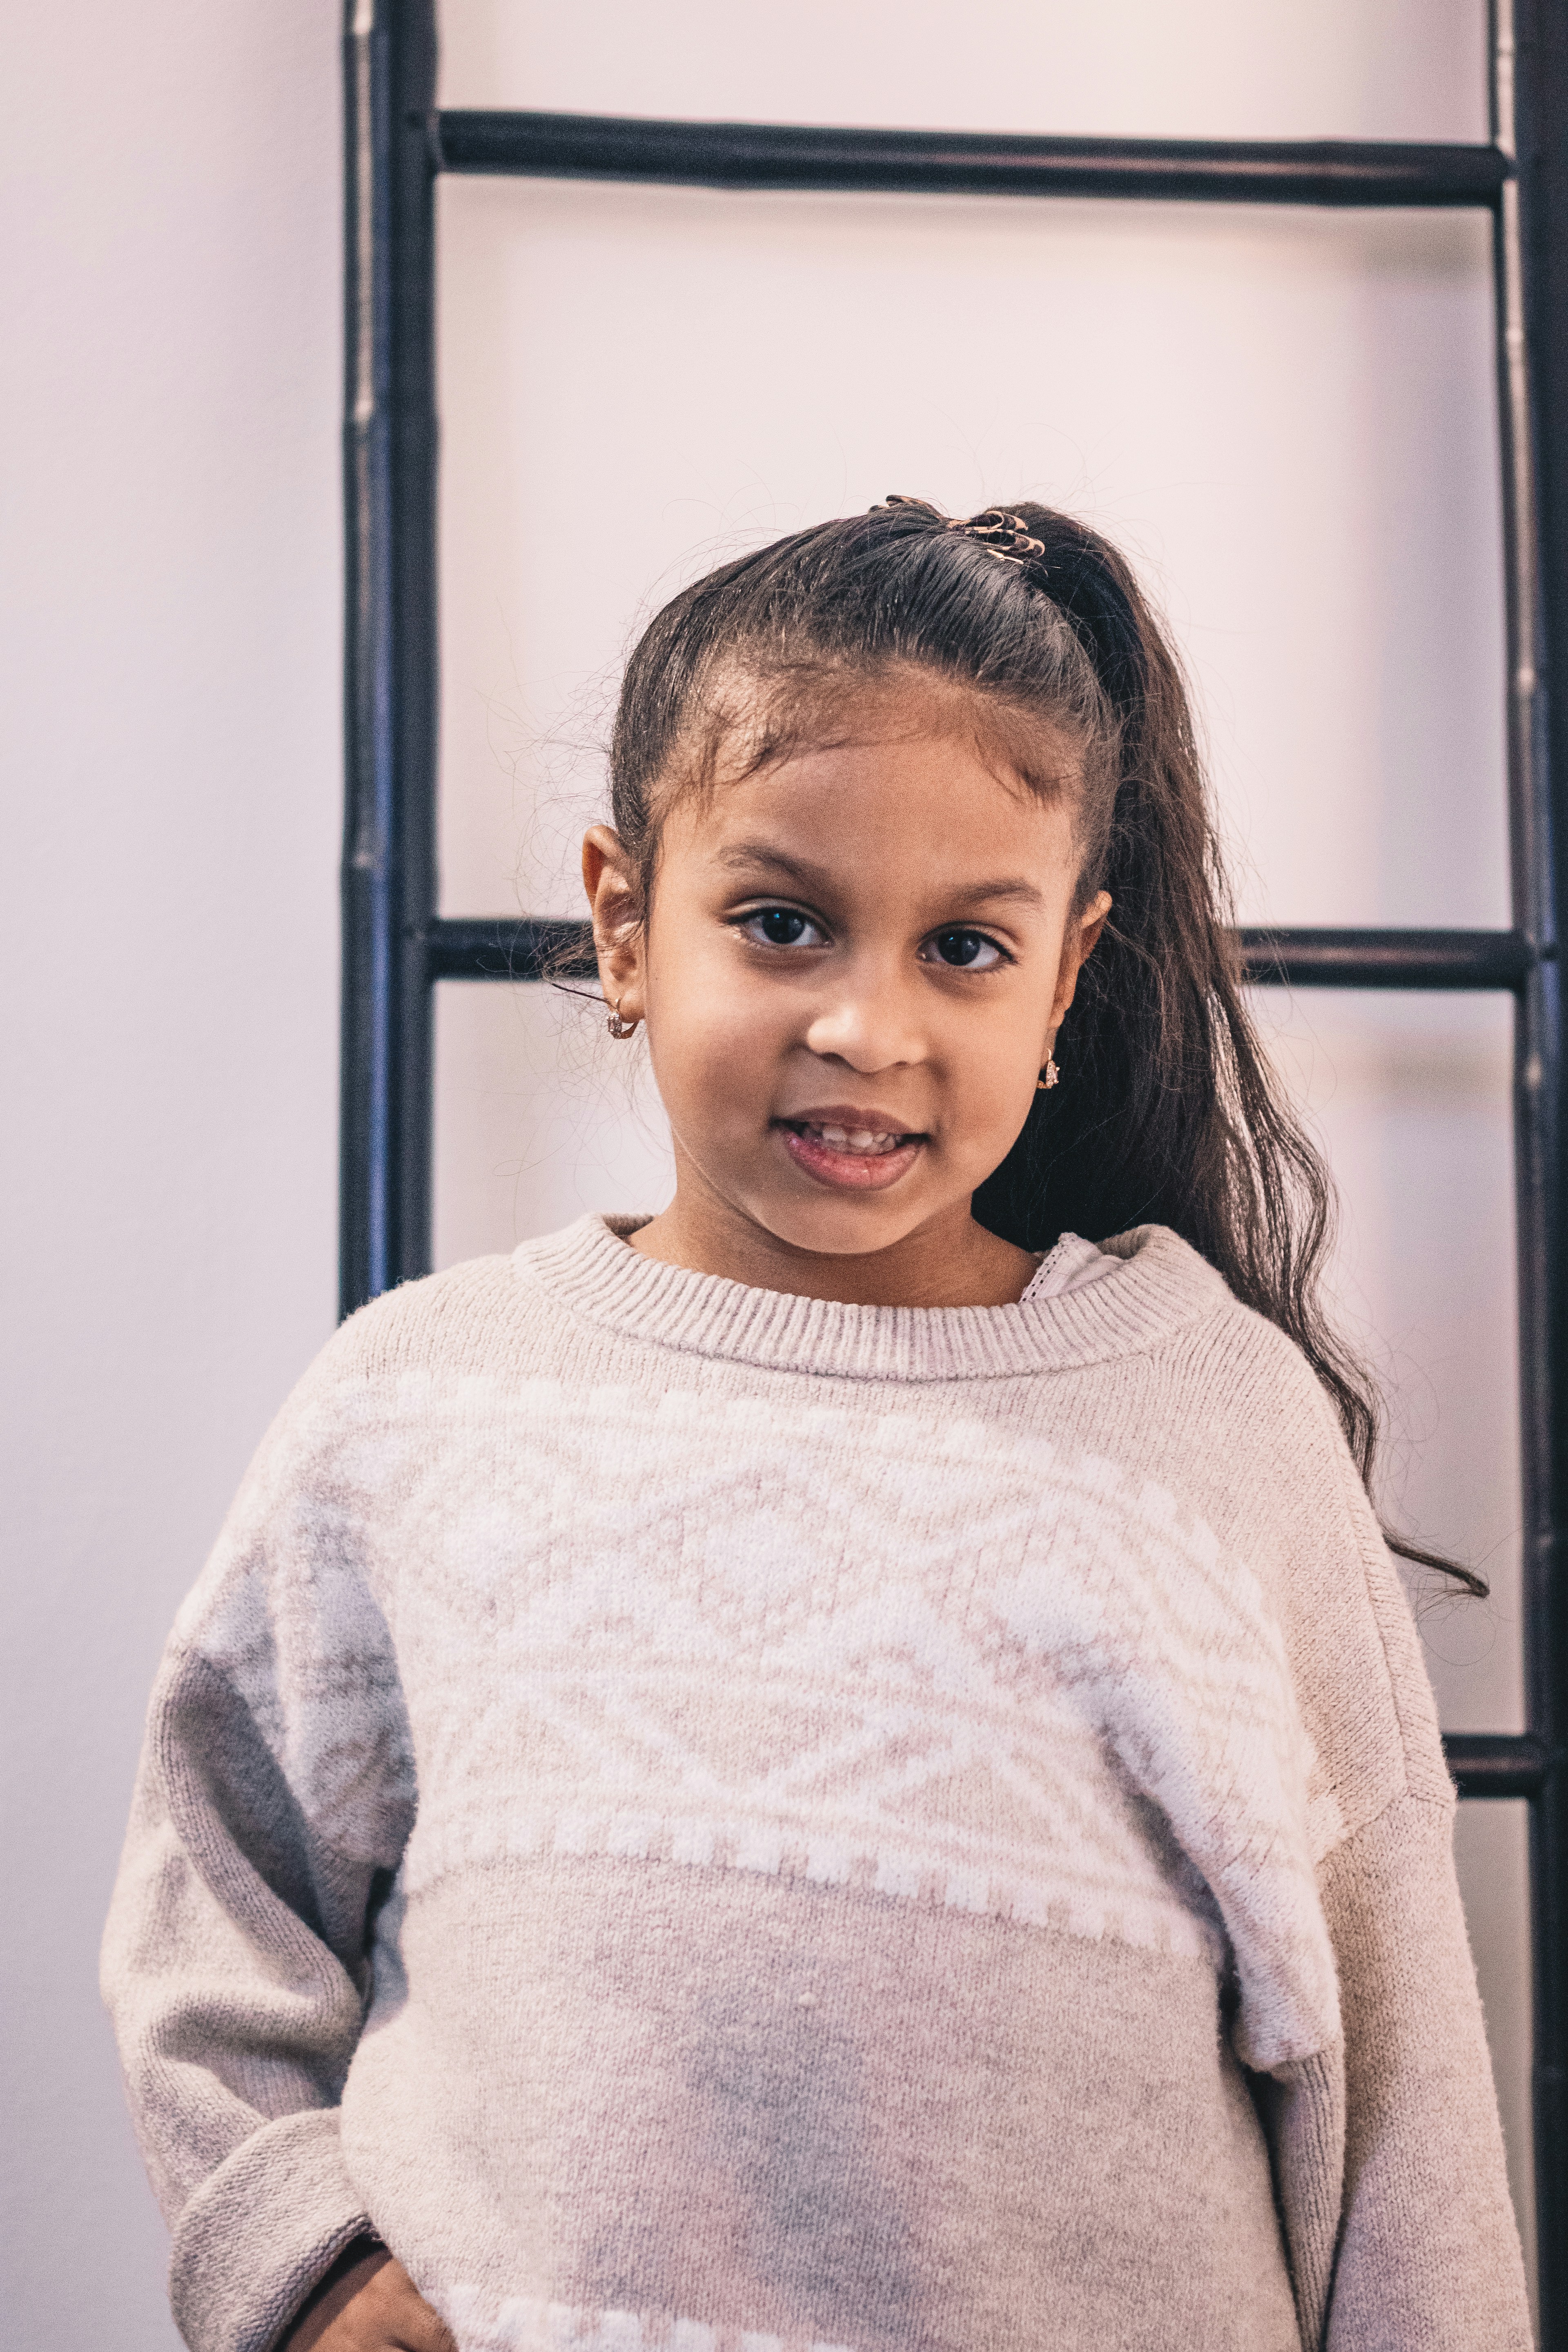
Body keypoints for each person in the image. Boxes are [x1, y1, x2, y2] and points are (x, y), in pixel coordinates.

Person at [102, 499, 1532, 2352]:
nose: (868, 1026)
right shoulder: (415, 1406)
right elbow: (216, 1905)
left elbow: (1398, 2098)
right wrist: (300, 2258)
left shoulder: (1212, 1425)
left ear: (1066, 977)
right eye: (782, 923)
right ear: (627, 924)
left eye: (967, 948)